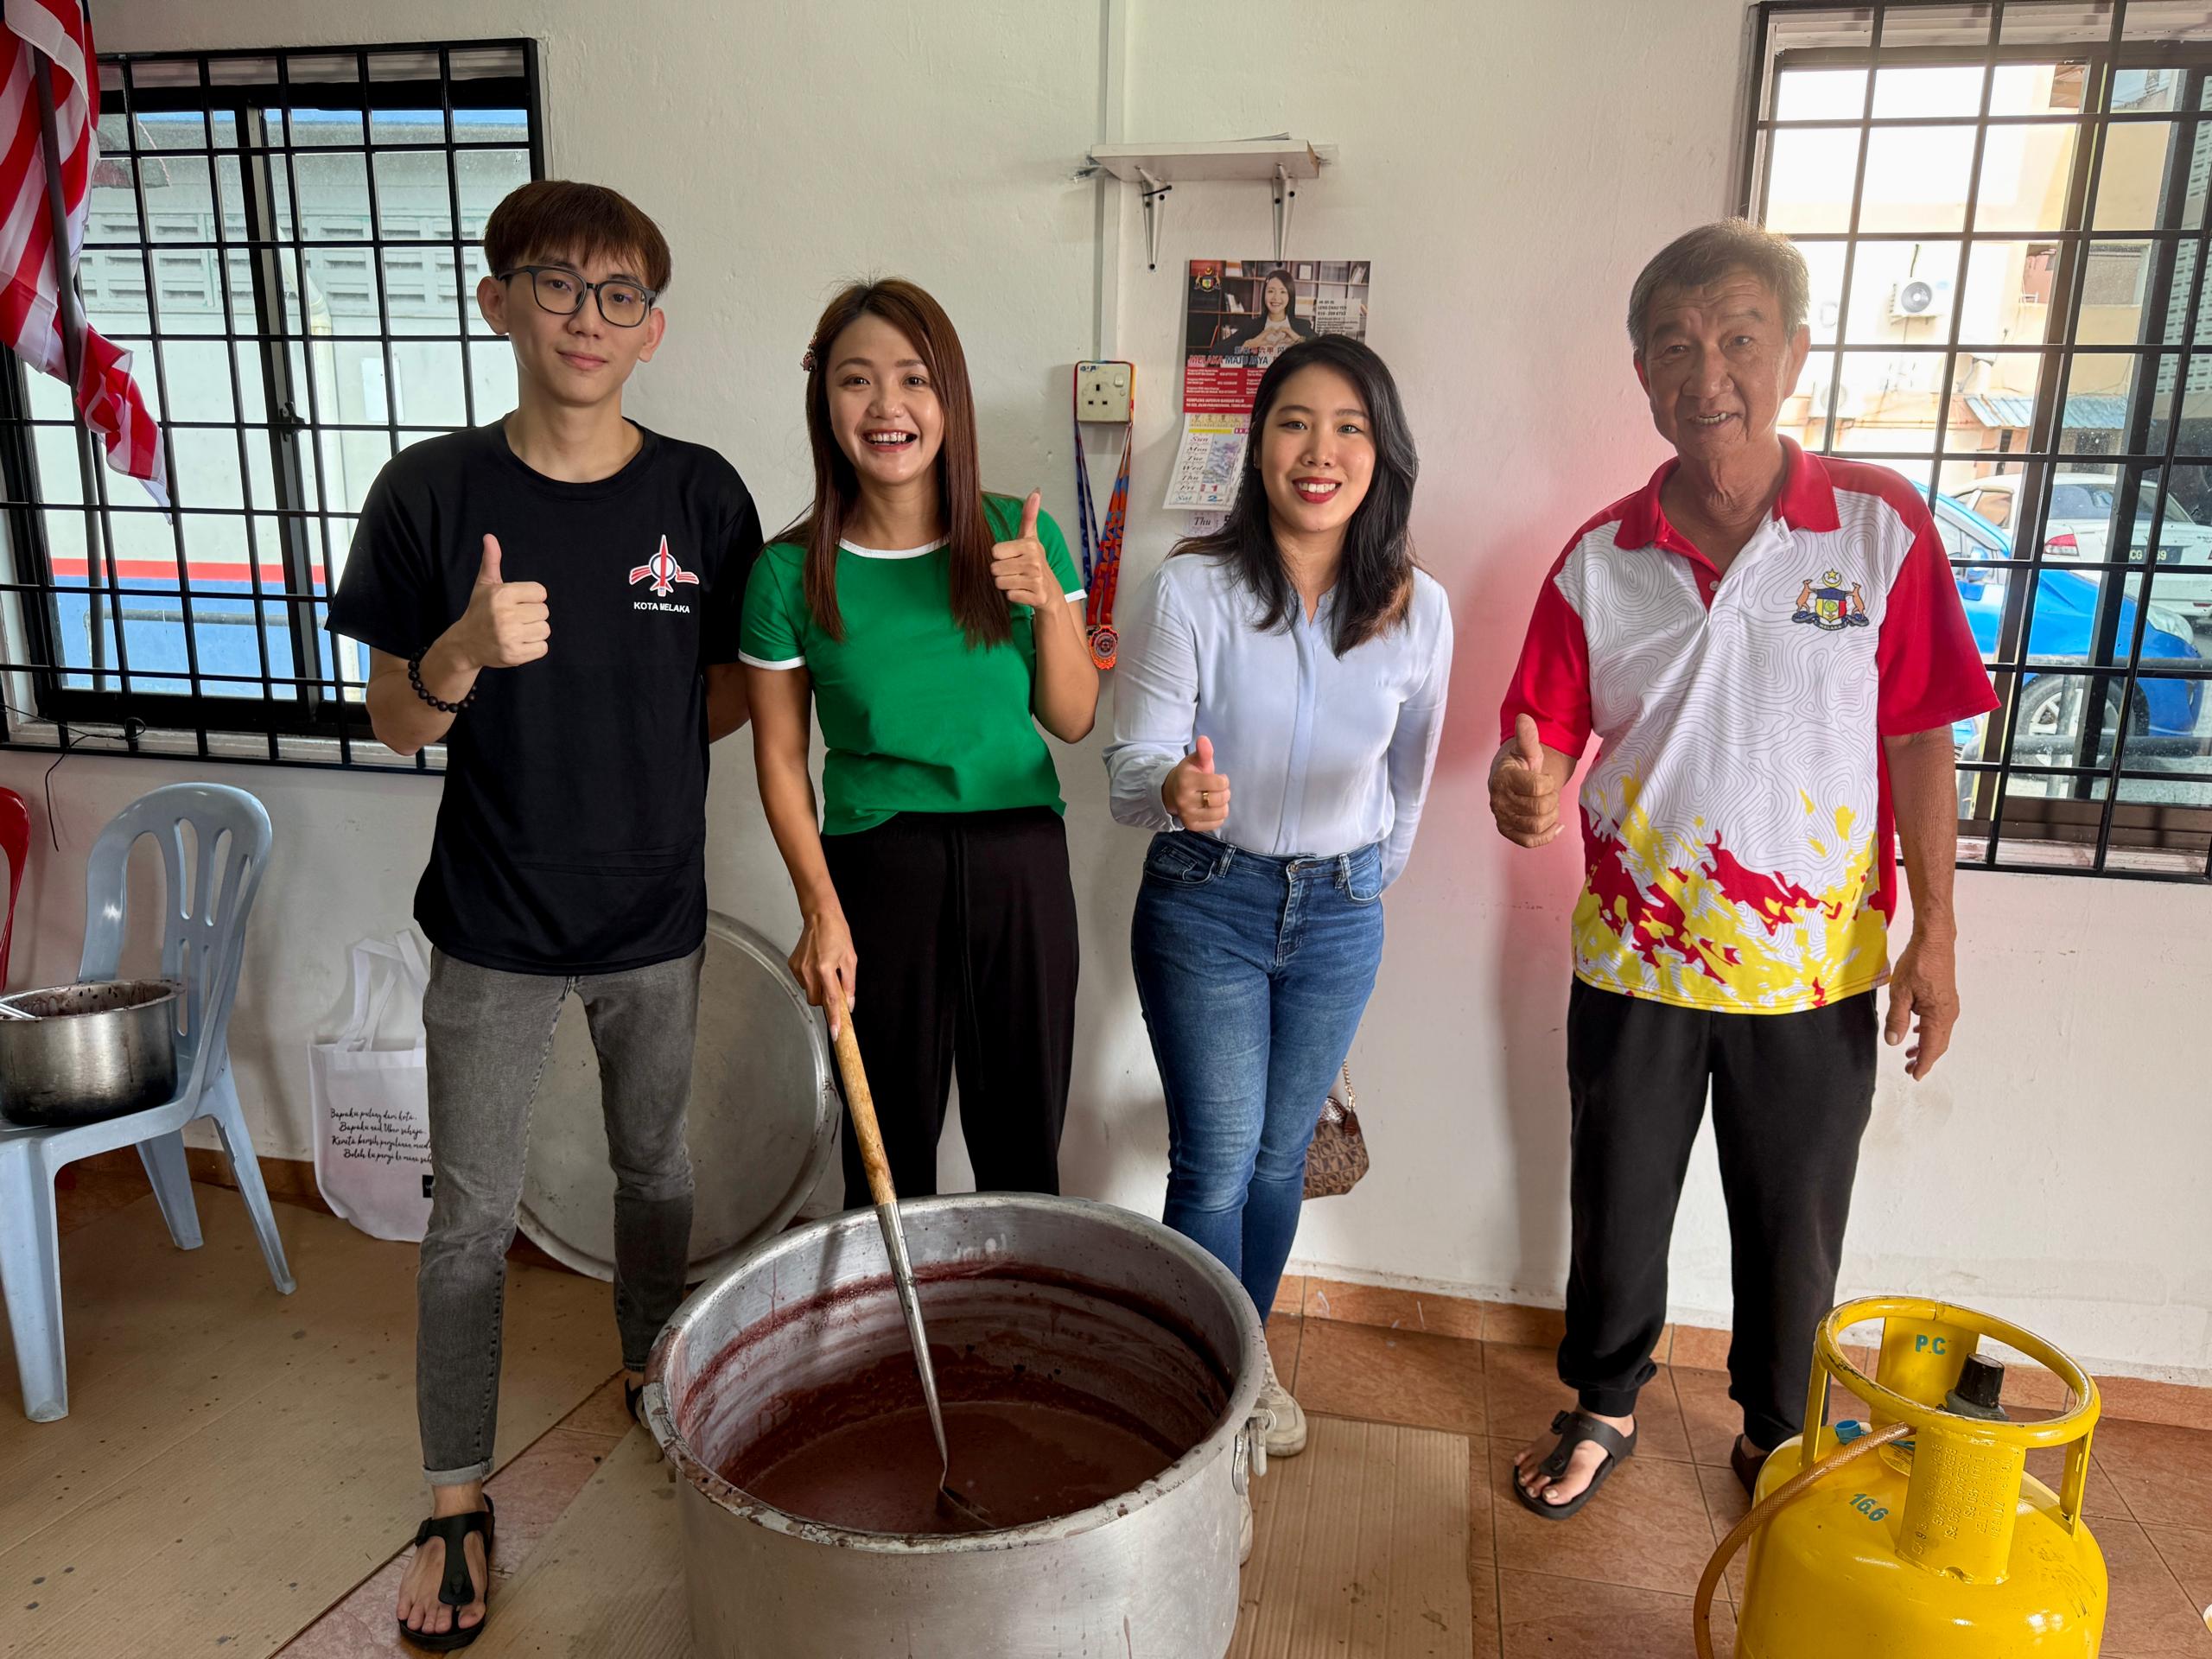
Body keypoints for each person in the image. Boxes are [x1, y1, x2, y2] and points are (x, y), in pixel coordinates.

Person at [1492, 219, 1997, 1522]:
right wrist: (1521, 781)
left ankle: (1779, 1431)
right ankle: (1604, 1403)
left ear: (1795, 355)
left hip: (1815, 966)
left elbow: (1920, 735)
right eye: (1675, 346)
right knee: (1617, 1203)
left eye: (1737, 338)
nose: (1706, 371)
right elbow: (1535, 734)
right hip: (1638, 958)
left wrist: (1933, 936)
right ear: (1644, 378)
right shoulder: (1599, 560)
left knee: (1795, 1223)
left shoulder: (1876, 532)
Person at [326, 179, 761, 1649]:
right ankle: (456, 1498)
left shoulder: (702, 497)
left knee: (658, 1169)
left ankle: (651, 1372)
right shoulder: (431, 494)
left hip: (654, 911)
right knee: (472, 1222)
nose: (587, 315)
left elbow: (718, 694)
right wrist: (458, 648)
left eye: (618, 293)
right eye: (556, 284)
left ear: (655, 329)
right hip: (492, 920)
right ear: (496, 298)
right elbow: (393, 718)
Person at [1105, 336, 1451, 1532]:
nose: (1321, 450)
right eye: (1295, 423)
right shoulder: (1195, 588)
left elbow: (1411, 783)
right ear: (1258, 448)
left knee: (1278, 1157)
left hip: (1343, 914)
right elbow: (1129, 768)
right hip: (1207, 898)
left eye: (1349, 426)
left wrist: (1360, 886)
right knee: (1215, 1158)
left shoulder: (1419, 610)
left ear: (1381, 453)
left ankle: (1238, 1370)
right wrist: (1176, 793)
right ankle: (1199, 1387)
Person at [744, 278, 1097, 1211]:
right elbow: (781, 760)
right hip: (875, 870)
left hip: (1019, 857)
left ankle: (1012, 1339)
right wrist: (819, 909)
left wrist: (1044, 606)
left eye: (912, 378)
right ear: (826, 404)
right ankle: (895, 1347)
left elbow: (1071, 717)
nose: (887, 406)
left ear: (950, 397)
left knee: (1022, 1138)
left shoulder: (1018, 536)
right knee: (884, 1154)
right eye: (856, 381)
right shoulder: (787, 573)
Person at [1224, 267, 1316, 360]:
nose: (1276, 297)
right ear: (1264, 295)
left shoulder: (1303, 326)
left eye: (1283, 292)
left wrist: (1298, 340)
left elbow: (1324, 351)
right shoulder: (1251, 326)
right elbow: (1217, 350)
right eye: (1271, 291)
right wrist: (1249, 344)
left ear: (1290, 296)